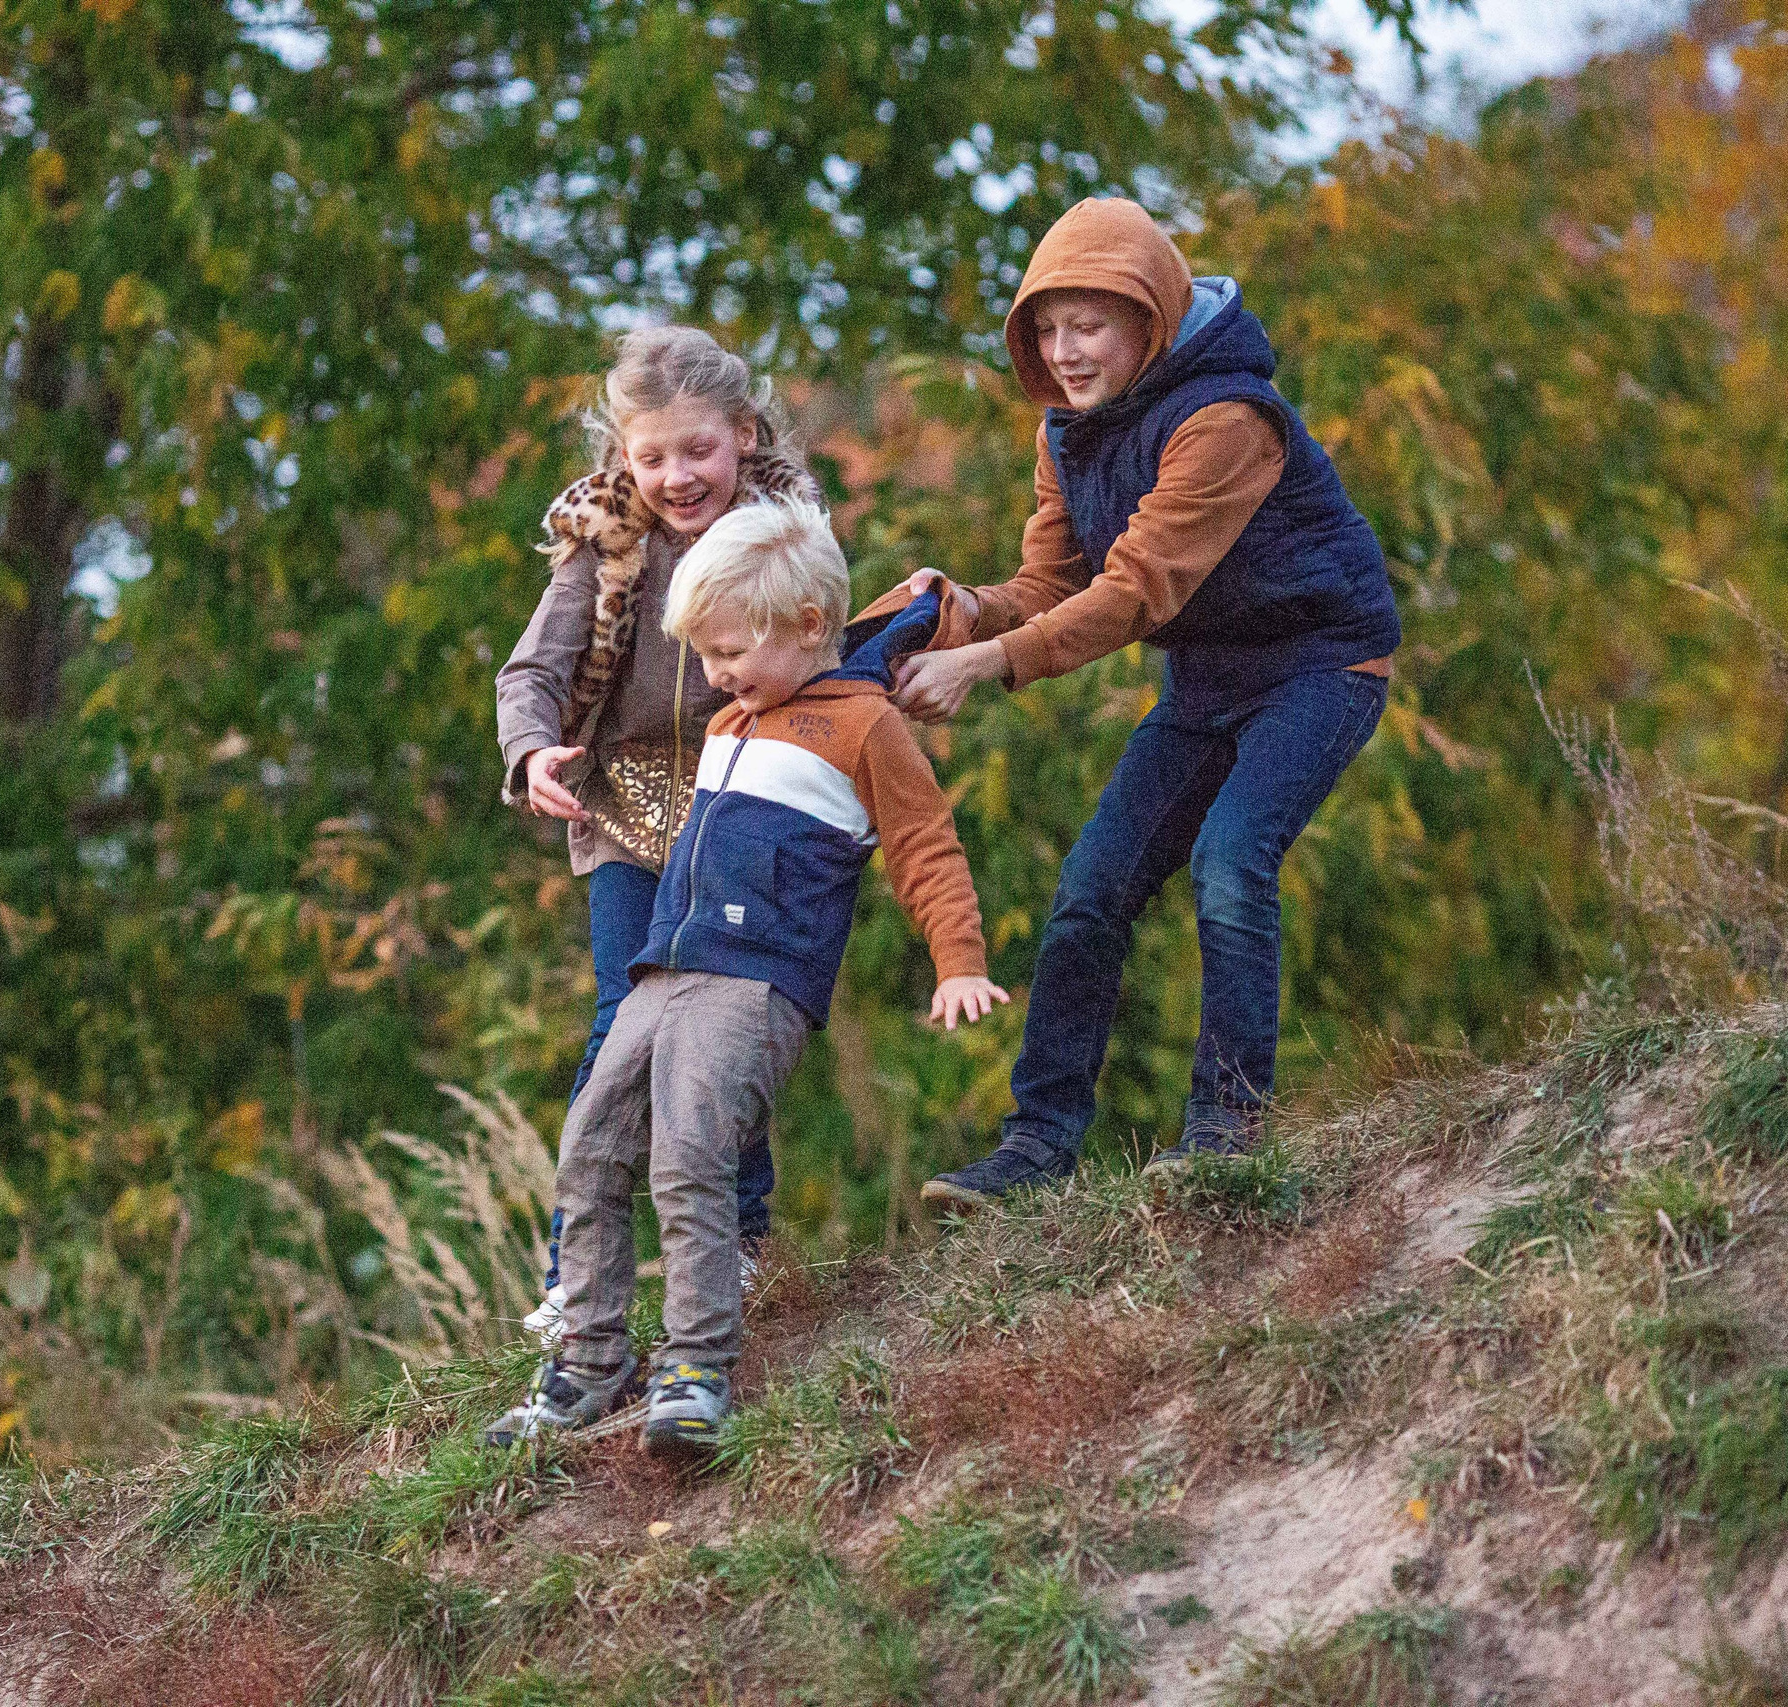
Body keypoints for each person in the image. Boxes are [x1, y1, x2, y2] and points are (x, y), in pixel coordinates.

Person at [886, 196, 1400, 1208]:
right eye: (1047, 329)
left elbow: (1132, 593)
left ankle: (1227, 1132)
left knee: (1231, 863)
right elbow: (1050, 583)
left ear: (1149, 318)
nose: (1064, 352)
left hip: (1319, 666)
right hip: (1205, 678)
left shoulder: (1229, 420)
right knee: (1091, 887)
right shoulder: (1067, 432)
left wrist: (985, 664)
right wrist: (960, 610)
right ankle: (1036, 1150)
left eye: (1088, 326)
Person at [484, 497, 1008, 1454]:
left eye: (728, 651)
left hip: (755, 985)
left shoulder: (863, 726)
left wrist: (958, 961)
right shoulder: (734, 719)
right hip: (665, 969)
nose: (715, 673)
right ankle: (591, 1359)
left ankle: (696, 1366)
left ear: (807, 626)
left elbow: (926, 845)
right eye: (705, 653)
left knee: (690, 1157)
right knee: (590, 1148)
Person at [496, 327, 819, 1339]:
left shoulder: (783, 544)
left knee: (720, 1029)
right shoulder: (606, 552)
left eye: (699, 450)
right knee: (621, 1025)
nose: (677, 476)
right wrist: (531, 750)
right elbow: (532, 671)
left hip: (738, 808)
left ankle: (740, 1240)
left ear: (744, 435)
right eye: (652, 456)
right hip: (626, 815)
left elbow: (825, 653)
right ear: (622, 458)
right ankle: (575, 1271)